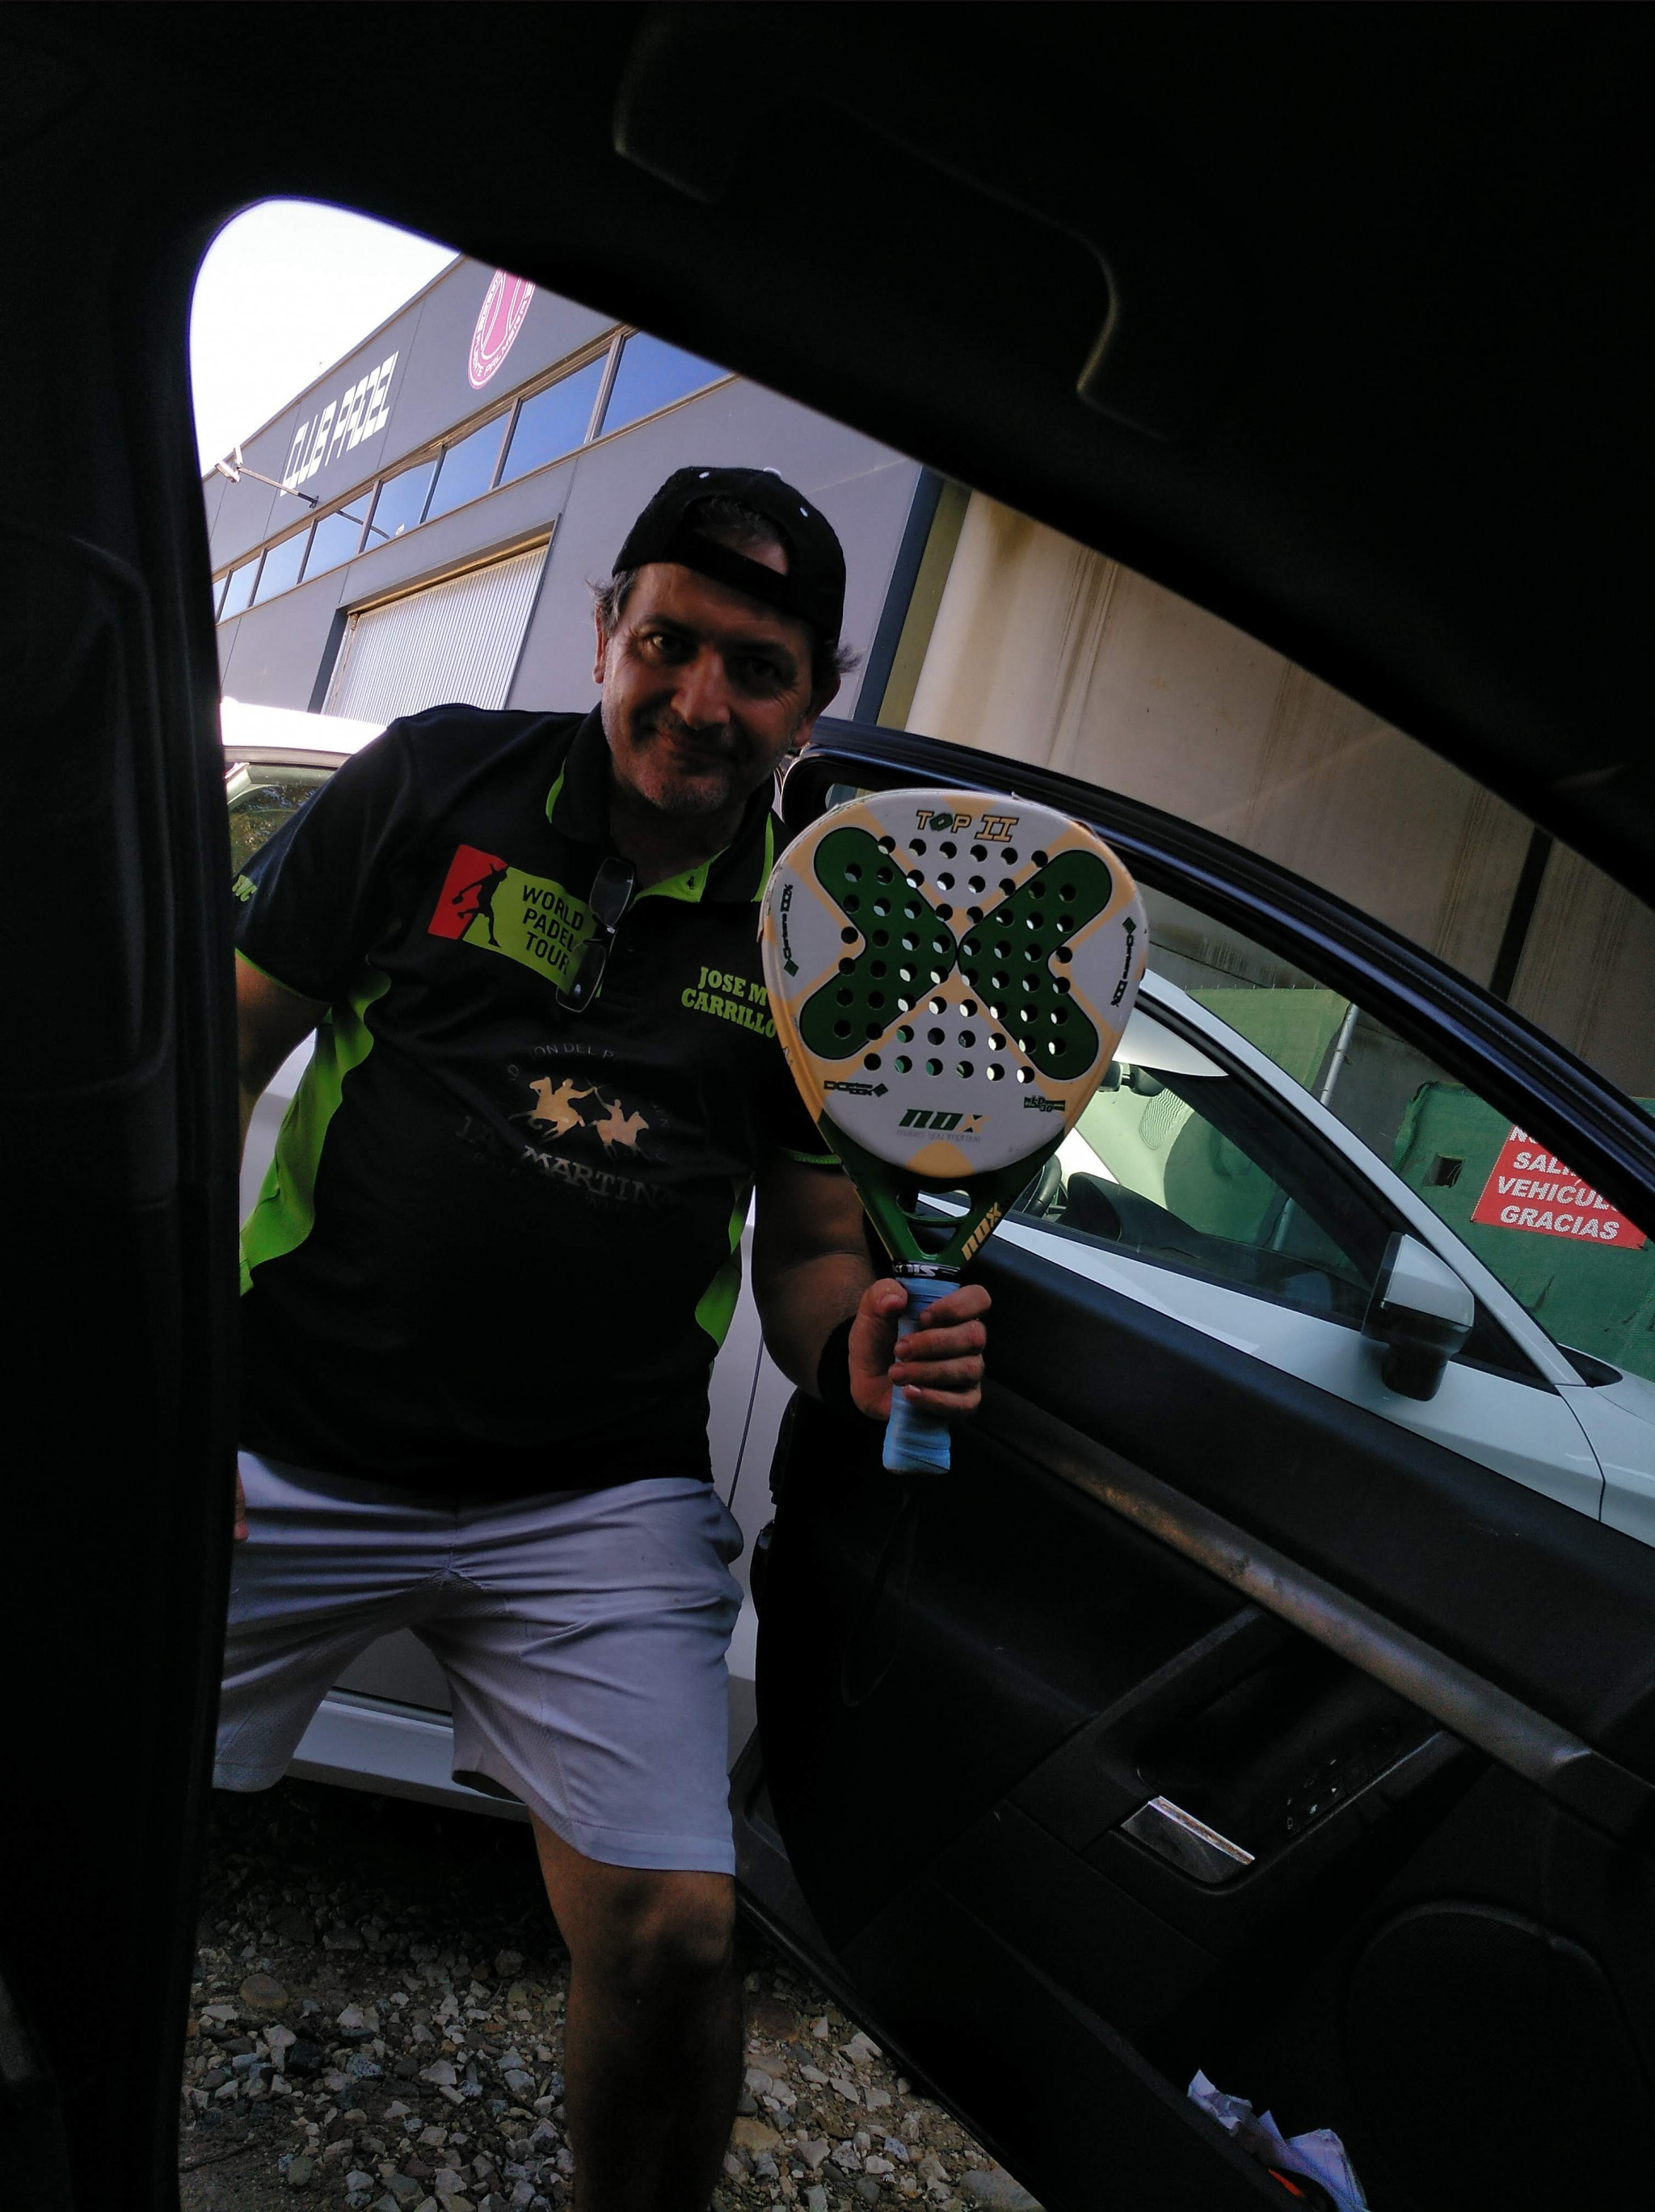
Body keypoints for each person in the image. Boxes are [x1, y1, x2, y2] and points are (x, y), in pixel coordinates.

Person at [222, 465, 990, 2212]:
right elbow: (214, 1062)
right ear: (606, 634)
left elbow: (811, 1251)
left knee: (673, 1933)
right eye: (669, 643)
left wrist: (856, 1345)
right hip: (288, 1427)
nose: (701, 701)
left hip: (591, 1499)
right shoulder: (428, 782)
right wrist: (161, 1386)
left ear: (815, 697)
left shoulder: (821, 937)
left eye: (757, 668)